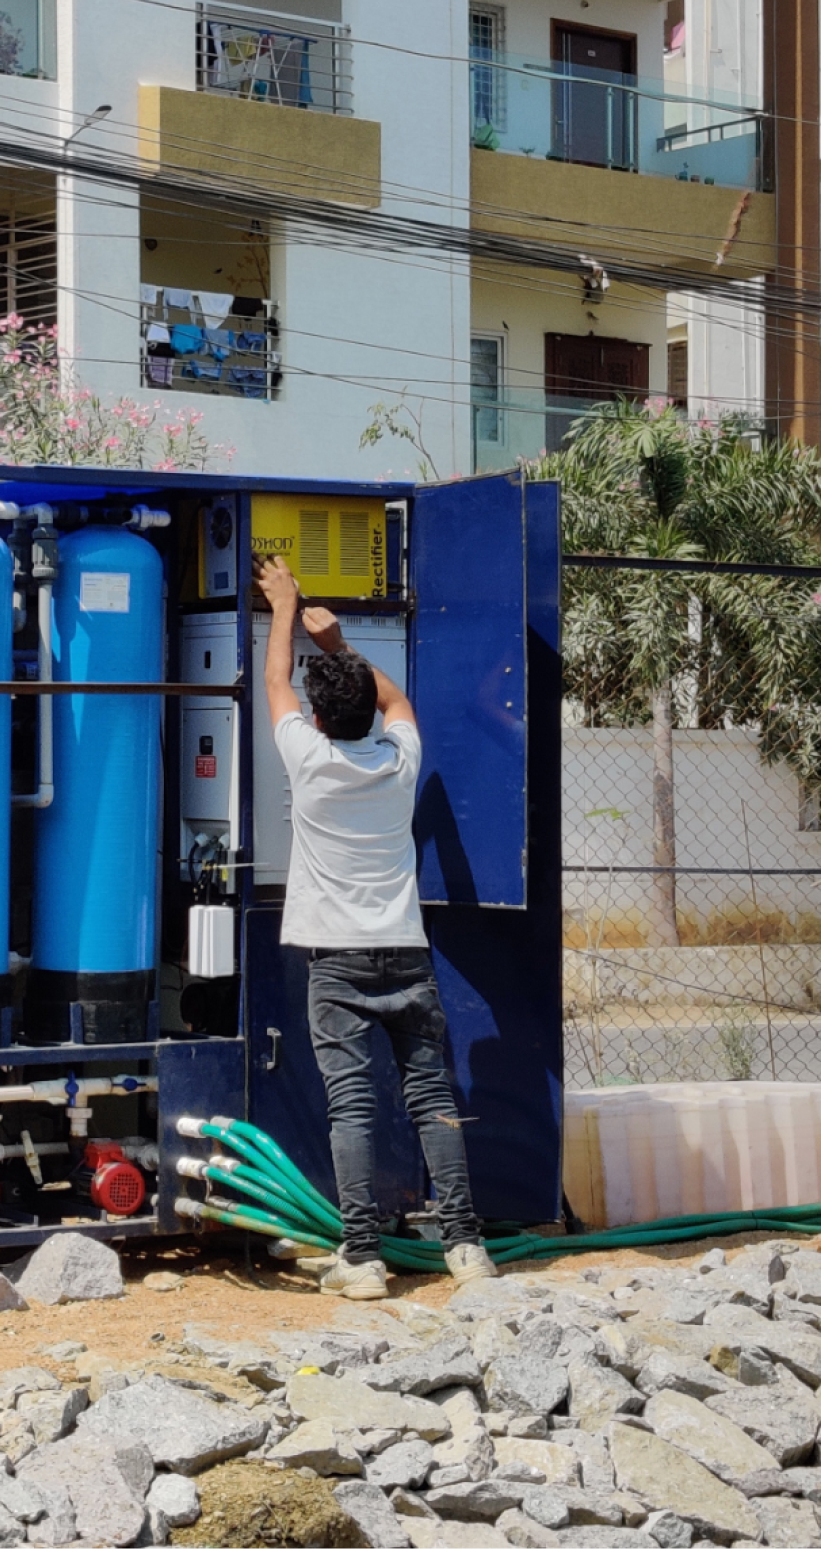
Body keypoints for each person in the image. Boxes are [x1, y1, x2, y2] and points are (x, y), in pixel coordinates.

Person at [260, 555, 494, 1297]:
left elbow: (272, 683)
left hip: (337, 963)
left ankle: (361, 1258)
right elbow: (398, 702)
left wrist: (284, 609)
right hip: (405, 955)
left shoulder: (310, 760)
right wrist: (337, 642)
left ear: (319, 719)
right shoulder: (399, 759)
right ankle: (466, 1247)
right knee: (431, 1098)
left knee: (352, 1103)